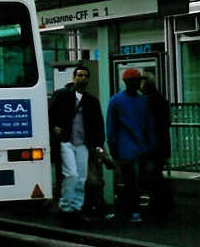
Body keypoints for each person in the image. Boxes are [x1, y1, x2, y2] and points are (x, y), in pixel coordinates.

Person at [49, 65, 105, 225]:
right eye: (79, 75)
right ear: (73, 78)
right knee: (71, 175)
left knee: (81, 177)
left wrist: (98, 144)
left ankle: (76, 208)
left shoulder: (92, 101)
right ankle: (65, 208)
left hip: (83, 144)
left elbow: (98, 125)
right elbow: (50, 115)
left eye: (85, 76)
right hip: (66, 142)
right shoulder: (62, 95)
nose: (82, 78)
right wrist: (55, 128)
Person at [106, 68, 155, 223]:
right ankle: (132, 211)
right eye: (134, 80)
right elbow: (149, 125)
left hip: (127, 148)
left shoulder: (117, 100)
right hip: (135, 148)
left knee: (129, 182)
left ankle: (127, 211)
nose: (136, 83)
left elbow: (111, 127)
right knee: (133, 182)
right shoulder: (141, 100)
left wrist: (113, 148)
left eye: (138, 80)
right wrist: (149, 145)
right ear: (127, 82)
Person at [141, 72, 173, 216]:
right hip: (162, 144)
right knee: (156, 174)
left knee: (151, 175)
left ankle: (159, 203)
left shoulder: (146, 101)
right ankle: (164, 202)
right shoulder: (161, 100)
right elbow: (167, 123)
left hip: (151, 145)